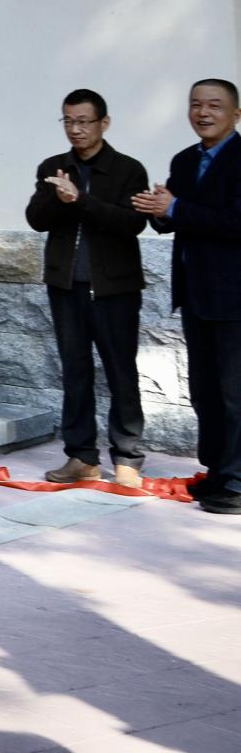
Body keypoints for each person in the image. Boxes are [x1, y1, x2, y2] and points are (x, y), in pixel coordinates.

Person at [23, 90, 151, 487]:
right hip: (66, 285)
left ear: (103, 124)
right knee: (74, 370)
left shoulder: (128, 169)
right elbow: (36, 219)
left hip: (115, 289)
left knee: (120, 371)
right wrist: (60, 199)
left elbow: (132, 223)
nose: (75, 129)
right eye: (68, 121)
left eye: (83, 121)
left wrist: (81, 201)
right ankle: (81, 456)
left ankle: (127, 458)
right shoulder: (54, 167)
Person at [135, 78, 241, 514]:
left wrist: (176, 208)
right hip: (196, 292)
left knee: (235, 393)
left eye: (214, 105)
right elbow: (174, 220)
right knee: (205, 391)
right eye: (196, 104)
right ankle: (217, 470)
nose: (203, 113)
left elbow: (235, 222)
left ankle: (237, 481)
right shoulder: (184, 160)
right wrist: (159, 210)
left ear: (235, 114)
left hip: (234, 295)